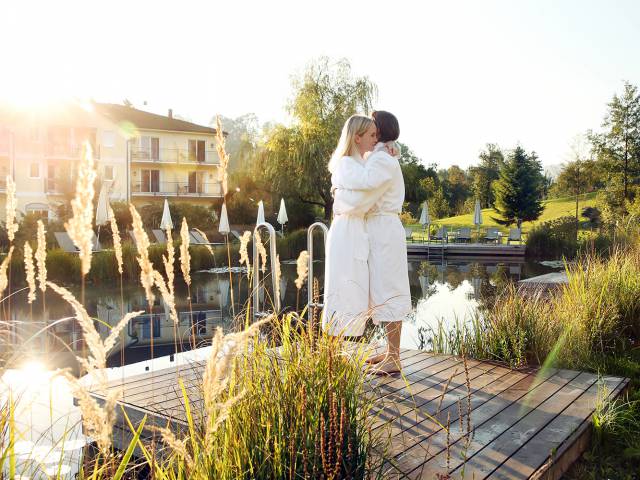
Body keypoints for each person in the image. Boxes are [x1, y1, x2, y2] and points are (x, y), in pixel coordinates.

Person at [332, 111, 411, 374]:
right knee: (380, 290)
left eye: (374, 127)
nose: (371, 130)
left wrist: (339, 195)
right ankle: (390, 353)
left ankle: (394, 357)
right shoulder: (380, 156)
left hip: (384, 229)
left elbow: (365, 188)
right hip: (377, 228)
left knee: (389, 289)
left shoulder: (382, 160)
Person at [322, 114, 380, 338]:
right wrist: (352, 202)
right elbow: (364, 194)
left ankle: (346, 349)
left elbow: (358, 200)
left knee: (355, 290)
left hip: (355, 231)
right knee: (344, 288)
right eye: (372, 135)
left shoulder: (361, 163)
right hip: (346, 233)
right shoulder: (347, 164)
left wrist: (345, 201)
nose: (376, 140)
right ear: (357, 137)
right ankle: (335, 353)